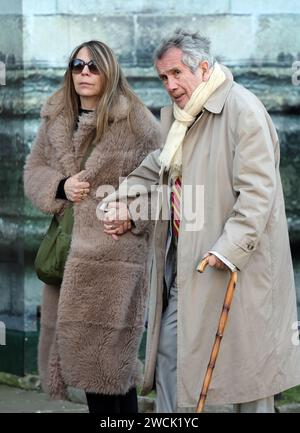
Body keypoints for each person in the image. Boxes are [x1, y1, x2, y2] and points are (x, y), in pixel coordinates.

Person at [97, 29, 300, 413]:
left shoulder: (244, 110)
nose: (170, 85)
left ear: (203, 68)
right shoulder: (180, 117)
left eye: (176, 74)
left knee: (249, 374)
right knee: (172, 353)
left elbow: (259, 195)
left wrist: (227, 251)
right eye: (163, 77)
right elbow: (157, 173)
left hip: (237, 265)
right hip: (188, 264)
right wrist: (120, 203)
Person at [23, 40, 160, 413]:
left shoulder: (138, 124)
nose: (84, 72)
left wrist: (132, 215)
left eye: (93, 66)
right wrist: (60, 186)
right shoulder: (55, 118)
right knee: (86, 372)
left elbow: (166, 190)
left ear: (109, 71)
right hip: (67, 255)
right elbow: (34, 170)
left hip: (112, 261)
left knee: (111, 373)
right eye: (77, 65)